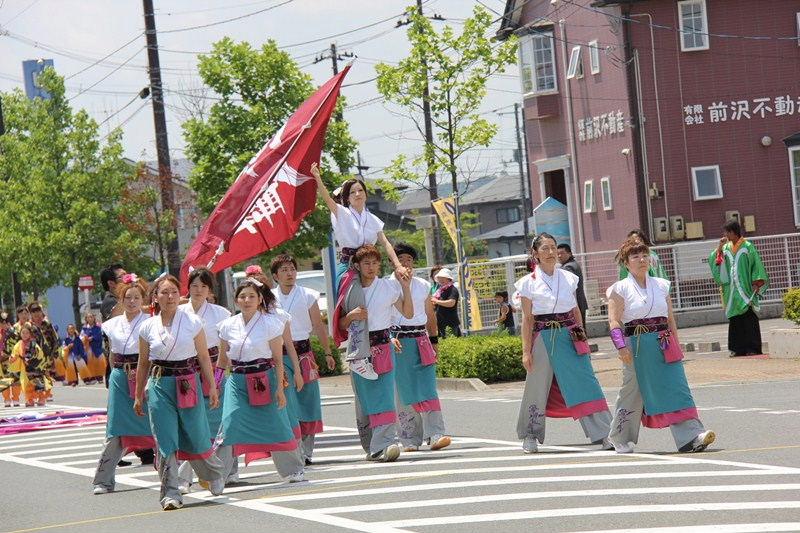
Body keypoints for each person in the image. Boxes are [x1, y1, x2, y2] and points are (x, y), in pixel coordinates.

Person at [606, 238, 715, 454]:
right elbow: (614, 321)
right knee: (632, 391)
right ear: (626, 262)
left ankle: (691, 436)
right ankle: (620, 436)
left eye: (645, 255)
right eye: (635, 256)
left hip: (664, 342)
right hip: (635, 345)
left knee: (677, 387)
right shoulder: (619, 289)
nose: (642, 259)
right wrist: (620, 347)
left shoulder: (662, 285)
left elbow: (670, 318)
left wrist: (676, 344)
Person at [134, 274, 226, 511]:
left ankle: (213, 473)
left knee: (195, 434)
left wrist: (213, 386)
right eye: (164, 292)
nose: (170, 297)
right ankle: (170, 493)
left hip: (188, 383)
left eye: (174, 292)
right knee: (165, 440)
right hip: (159, 384)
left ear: (179, 294)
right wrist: (137, 394)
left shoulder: (193, 322)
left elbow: (204, 357)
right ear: (155, 297)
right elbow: (143, 363)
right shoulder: (147, 326)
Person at [515, 233, 612, 454]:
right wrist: (526, 352)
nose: (551, 252)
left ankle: (606, 434)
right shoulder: (526, 284)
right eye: (545, 248)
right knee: (536, 387)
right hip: (542, 337)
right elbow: (527, 320)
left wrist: (582, 339)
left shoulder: (569, 278)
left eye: (553, 247)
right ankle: (530, 435)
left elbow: (576, 310)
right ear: (535, 254)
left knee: (587, 383)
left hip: (570, 335)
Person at [312, 162, 409, 381]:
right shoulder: (342, 214)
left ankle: (387, 339)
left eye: (360, 190)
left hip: (371, 266)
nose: (358, 194)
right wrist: (318, 178)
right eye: (353, 191)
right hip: (350, 266)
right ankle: (356, 356)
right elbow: (327, 199)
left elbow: (385, 243)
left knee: (380, 302)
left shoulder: (373, 219)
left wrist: (398, 265)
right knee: (358, 308)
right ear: (346, 197)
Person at [216, 276, 306, 482]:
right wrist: (215, 385)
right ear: (236, 300)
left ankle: (293, 469)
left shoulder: (271, 323)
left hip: (266, 378)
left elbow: (277, 359)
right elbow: (222, 361)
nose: (246, 300)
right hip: (237, 380)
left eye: (251, 296)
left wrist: (280, 388)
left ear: (259, 299)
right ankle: (221, 473)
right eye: (242, 296)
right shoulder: (227, 325)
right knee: (229, 422)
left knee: (277, 422)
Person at [340, 245, 413, 462]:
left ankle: (386, 443)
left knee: (384, 395)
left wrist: (406, 288)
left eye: (374, 263)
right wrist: (351, 316)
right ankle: (372, 445)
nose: (371, 268)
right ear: (357, 266)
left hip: (383, 346)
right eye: (366, 263)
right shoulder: (350, 290)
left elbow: (408, 313)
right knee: (364, 399)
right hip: (359, 349)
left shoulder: (388, 287)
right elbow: (341, 325)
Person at [92, 273, 156, 495]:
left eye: (136, 297)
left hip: (145, 374)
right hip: (120, 376)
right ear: (121, 299)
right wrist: (113, 377)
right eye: (128, 297)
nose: (132, 301)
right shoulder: (110, 325)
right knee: (115, 429)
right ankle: (104, 480)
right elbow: (111, 356)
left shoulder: (150, 322)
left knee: (158, 425)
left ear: (142, 299)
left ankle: (171, 474)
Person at [271, 254, 336, 465]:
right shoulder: (269, 298)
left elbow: (318, 326)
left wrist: (327, 352)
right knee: (287, 401)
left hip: (304, 354)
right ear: (275, 276)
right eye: (284, 270)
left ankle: (307, 449)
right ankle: (294, 446)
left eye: (292, 269)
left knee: (308, 400)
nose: (289, 273)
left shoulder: (308, 295)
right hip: (280, 356)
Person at [176, 267, 234, 492]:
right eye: (194, 286)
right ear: (188, 288)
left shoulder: (221, 314)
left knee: (219, 423)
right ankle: (183, 478)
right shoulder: (179, 312)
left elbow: (226, 349)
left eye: (203, 286)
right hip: (186, 371)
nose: (199, 290)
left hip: (214, 371)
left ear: (210, 289)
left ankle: (220, 472)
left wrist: (218, 378)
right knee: (188, 422)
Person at [390, 243, 451, 452]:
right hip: (398, 340)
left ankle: (436, 433)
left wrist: (434, 341)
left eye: (409, 260)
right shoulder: (386, 286)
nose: (406, 264)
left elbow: (430, 315)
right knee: (404, 391)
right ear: (393, 263)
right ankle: (409, 438)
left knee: (428, 387)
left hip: (421, 339)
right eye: (401, 260)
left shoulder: (423, 285)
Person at [709, 219, 769, 357]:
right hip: (731, 289)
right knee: (735, 319)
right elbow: (715, 259)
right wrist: (719, 247)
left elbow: (756, 265)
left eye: (727, 232)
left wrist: (756, 282)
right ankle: (738, 348)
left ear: (732, 232)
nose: (725, 235)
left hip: (745, 287)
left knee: (748, 317)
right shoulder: (726, 248)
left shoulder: (748, 246)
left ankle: (753, 347)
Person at [8, 324, 50, 407]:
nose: (25, 335)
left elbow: (40, 354)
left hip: (35, 367)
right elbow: (14, 354)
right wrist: (12, 358)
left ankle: (41, 398)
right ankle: (29, 400)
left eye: (27, 333)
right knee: (26, 384)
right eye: (23, 333)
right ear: (20, 334)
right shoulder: (18, 344)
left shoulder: (34, 343)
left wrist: (32, 359)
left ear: (30, 334)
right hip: (25, 368)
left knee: (38, 384)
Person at [28, 302, 61, 396]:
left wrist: (54, 353)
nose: (36, 313)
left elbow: (55, 339)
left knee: (46, 374)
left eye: (38, 310)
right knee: (34, 375)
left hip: (47, 354)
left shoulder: (47, 324)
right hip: (33, 355)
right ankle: (36, 395)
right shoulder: (29, 326)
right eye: (33, 311)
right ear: (30, 313)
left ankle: (47, 393)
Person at [557, 244, 589, 329]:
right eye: (558, 254)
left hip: (574, 306)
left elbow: (567, 287)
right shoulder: (573, 264)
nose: (559, 256)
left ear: (570, 254)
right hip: (579, 303)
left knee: (576, 332)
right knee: (580, 331)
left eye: (562, 253)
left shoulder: (568, 267)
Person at [431, 268, 461, 338]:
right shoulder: (441, 290)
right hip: (440, 323)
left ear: (448, 278)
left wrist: (437, 301)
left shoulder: (452, 289)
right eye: (439, 278)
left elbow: (451, 303)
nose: (440, 280)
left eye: (442, 278)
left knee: (452, 344)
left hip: (450, 323)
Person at [1, 311, 22, 407]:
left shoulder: (15, 332)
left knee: (15, 379)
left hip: (13, 359)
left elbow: (19, 344)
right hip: (2, 361)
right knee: (4, 380)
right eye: (2, 322)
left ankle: (16, 398)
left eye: (6, 322)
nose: (4, 324)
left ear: (9, 322)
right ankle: (7, 399)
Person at [82, 313, 106, 384]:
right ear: (86, 319)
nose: (90, 318)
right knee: (90, 363)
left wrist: (93, 338)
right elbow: (81, 337)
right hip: (88, 348)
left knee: (99, 363)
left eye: (91, 317)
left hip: (97, 347)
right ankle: (92, 377)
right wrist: (85, 338)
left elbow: (100, 335)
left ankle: (99, 377)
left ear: (94, 318)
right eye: (88, 317)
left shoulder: (98, 327)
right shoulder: (84, 328)